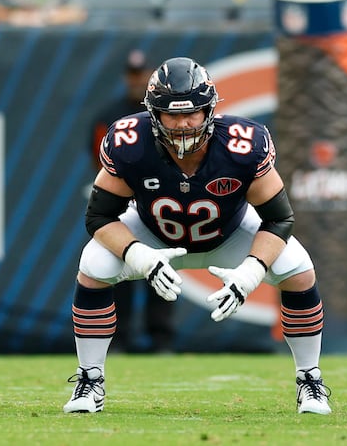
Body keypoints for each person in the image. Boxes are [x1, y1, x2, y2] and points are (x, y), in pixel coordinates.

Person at [63, 57, 332, 415]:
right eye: (171, 114)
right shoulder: (128, 140)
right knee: (93, 264)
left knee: (298, 270)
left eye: (192, 113)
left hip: (230, 232)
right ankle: (89, 379)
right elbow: (99, 215)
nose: (183, 124)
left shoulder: (243, 143)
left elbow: (279, 219)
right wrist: (138, 255)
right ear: (153, 114)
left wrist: (251, 272)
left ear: (210, 110)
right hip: (152, 233)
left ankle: (309, 380)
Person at [86, 50, 175, 353]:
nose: (137, 80)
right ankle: (119, 336)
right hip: (125, 204)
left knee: (161, 269)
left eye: (142, 74)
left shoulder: (167, 113)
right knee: (121, 270)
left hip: (159, 202)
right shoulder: (110, 115)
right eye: (133, 74)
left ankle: (161, 337)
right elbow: (99, 162)